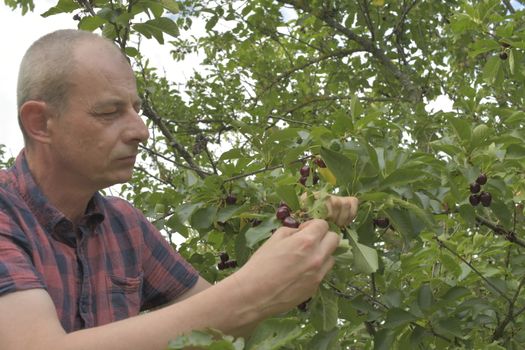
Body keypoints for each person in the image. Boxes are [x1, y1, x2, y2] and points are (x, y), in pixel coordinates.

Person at [0, 29, 359, 350]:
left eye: (137, 109)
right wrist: (253, 289)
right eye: (110, 112)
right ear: (40, 123)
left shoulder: (125, 225)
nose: (140, 130)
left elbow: (219, 324)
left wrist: (300, 233)